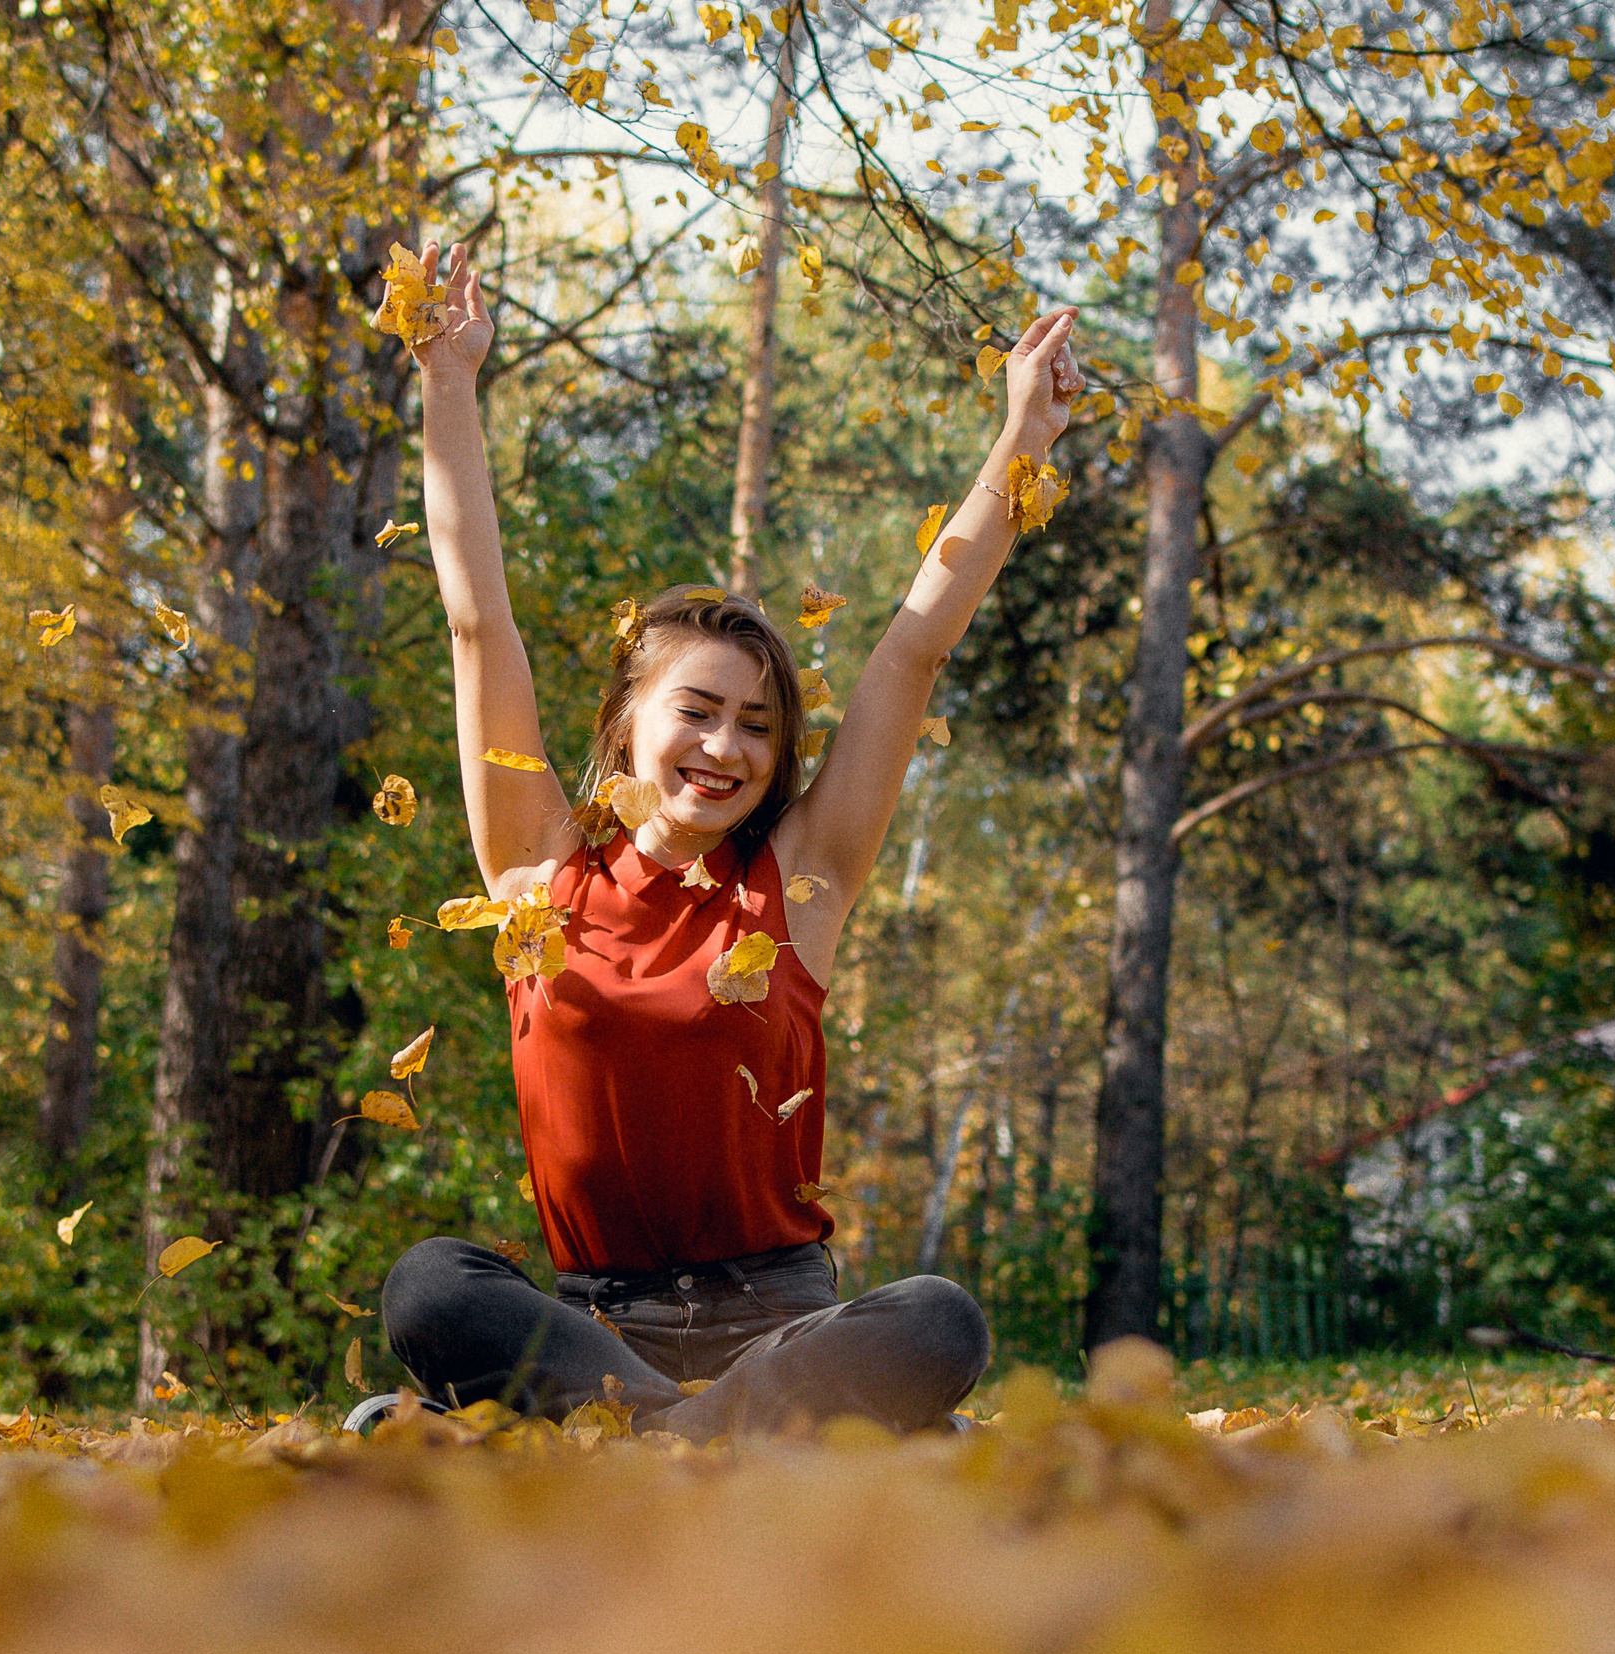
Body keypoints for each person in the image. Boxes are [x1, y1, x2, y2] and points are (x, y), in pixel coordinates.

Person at [369, 237, 1085, 1440]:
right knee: (432, 1286)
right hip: (596, 1328)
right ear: (625, 727)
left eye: (756, 725)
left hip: (784, 1326)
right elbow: (473, 618)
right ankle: (728, 1439)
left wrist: (1021, 443)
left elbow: (911, 648)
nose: (724, 746)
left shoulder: (797, 882)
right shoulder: (537, 873)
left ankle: (617, 1443)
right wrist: (447, 387)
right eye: (694, 711)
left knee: (938, 1320)